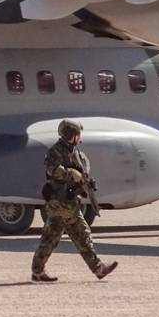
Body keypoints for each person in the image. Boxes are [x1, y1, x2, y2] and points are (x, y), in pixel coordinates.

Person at [31, 119, 117, 283]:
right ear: (71, 135)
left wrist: (85, 184)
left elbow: (80, 173)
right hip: (61, 201)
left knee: (50, 238)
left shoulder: (74, 151)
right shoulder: (55, 151)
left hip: (65, 201)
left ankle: (37, 272)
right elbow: (52, 169)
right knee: (81, 233)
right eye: (77, 135)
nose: (79, 138)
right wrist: (71, 174)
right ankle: (98, 268)